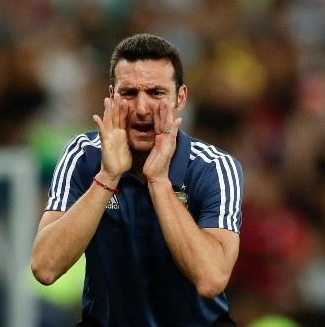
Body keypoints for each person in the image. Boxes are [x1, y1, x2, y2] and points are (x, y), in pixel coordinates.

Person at [31, 33, 243, 326]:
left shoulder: (214, 167)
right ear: (111, 97)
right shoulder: (83, 156)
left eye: (156, 93)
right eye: (129, 93)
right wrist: (107, 177)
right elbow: (45, 267)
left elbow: (211, 278)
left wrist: (158, 182)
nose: (142, 108)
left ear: (180, 98)